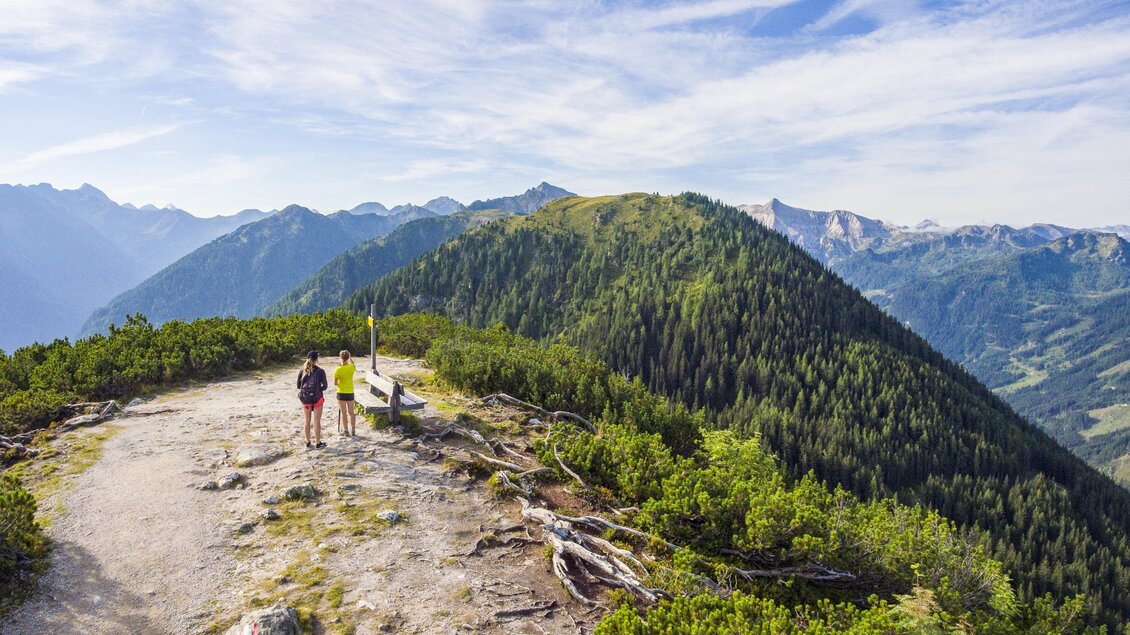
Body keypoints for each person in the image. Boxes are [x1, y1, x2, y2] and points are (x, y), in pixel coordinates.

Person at [297, 350, 328, 449]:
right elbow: (325, 386)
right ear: (316, 359)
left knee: (307, 421)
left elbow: (298, 386)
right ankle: (318, 443)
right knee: (317, 421)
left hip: (305, 399)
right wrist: (318, 389)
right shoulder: (320, 371)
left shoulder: (302, 370)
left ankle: (307, 442)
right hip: (317, 398)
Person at [334, 350, 358, 436]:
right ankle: (354, 430)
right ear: (348, 357)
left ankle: (346, 430)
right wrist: (350, 358)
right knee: (351, 412)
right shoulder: (351, 367)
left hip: (341, 392)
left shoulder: (338, 369)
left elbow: (335, 383)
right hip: (350, 391)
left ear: (340, 358)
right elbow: (353, 364)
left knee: (344, 413)